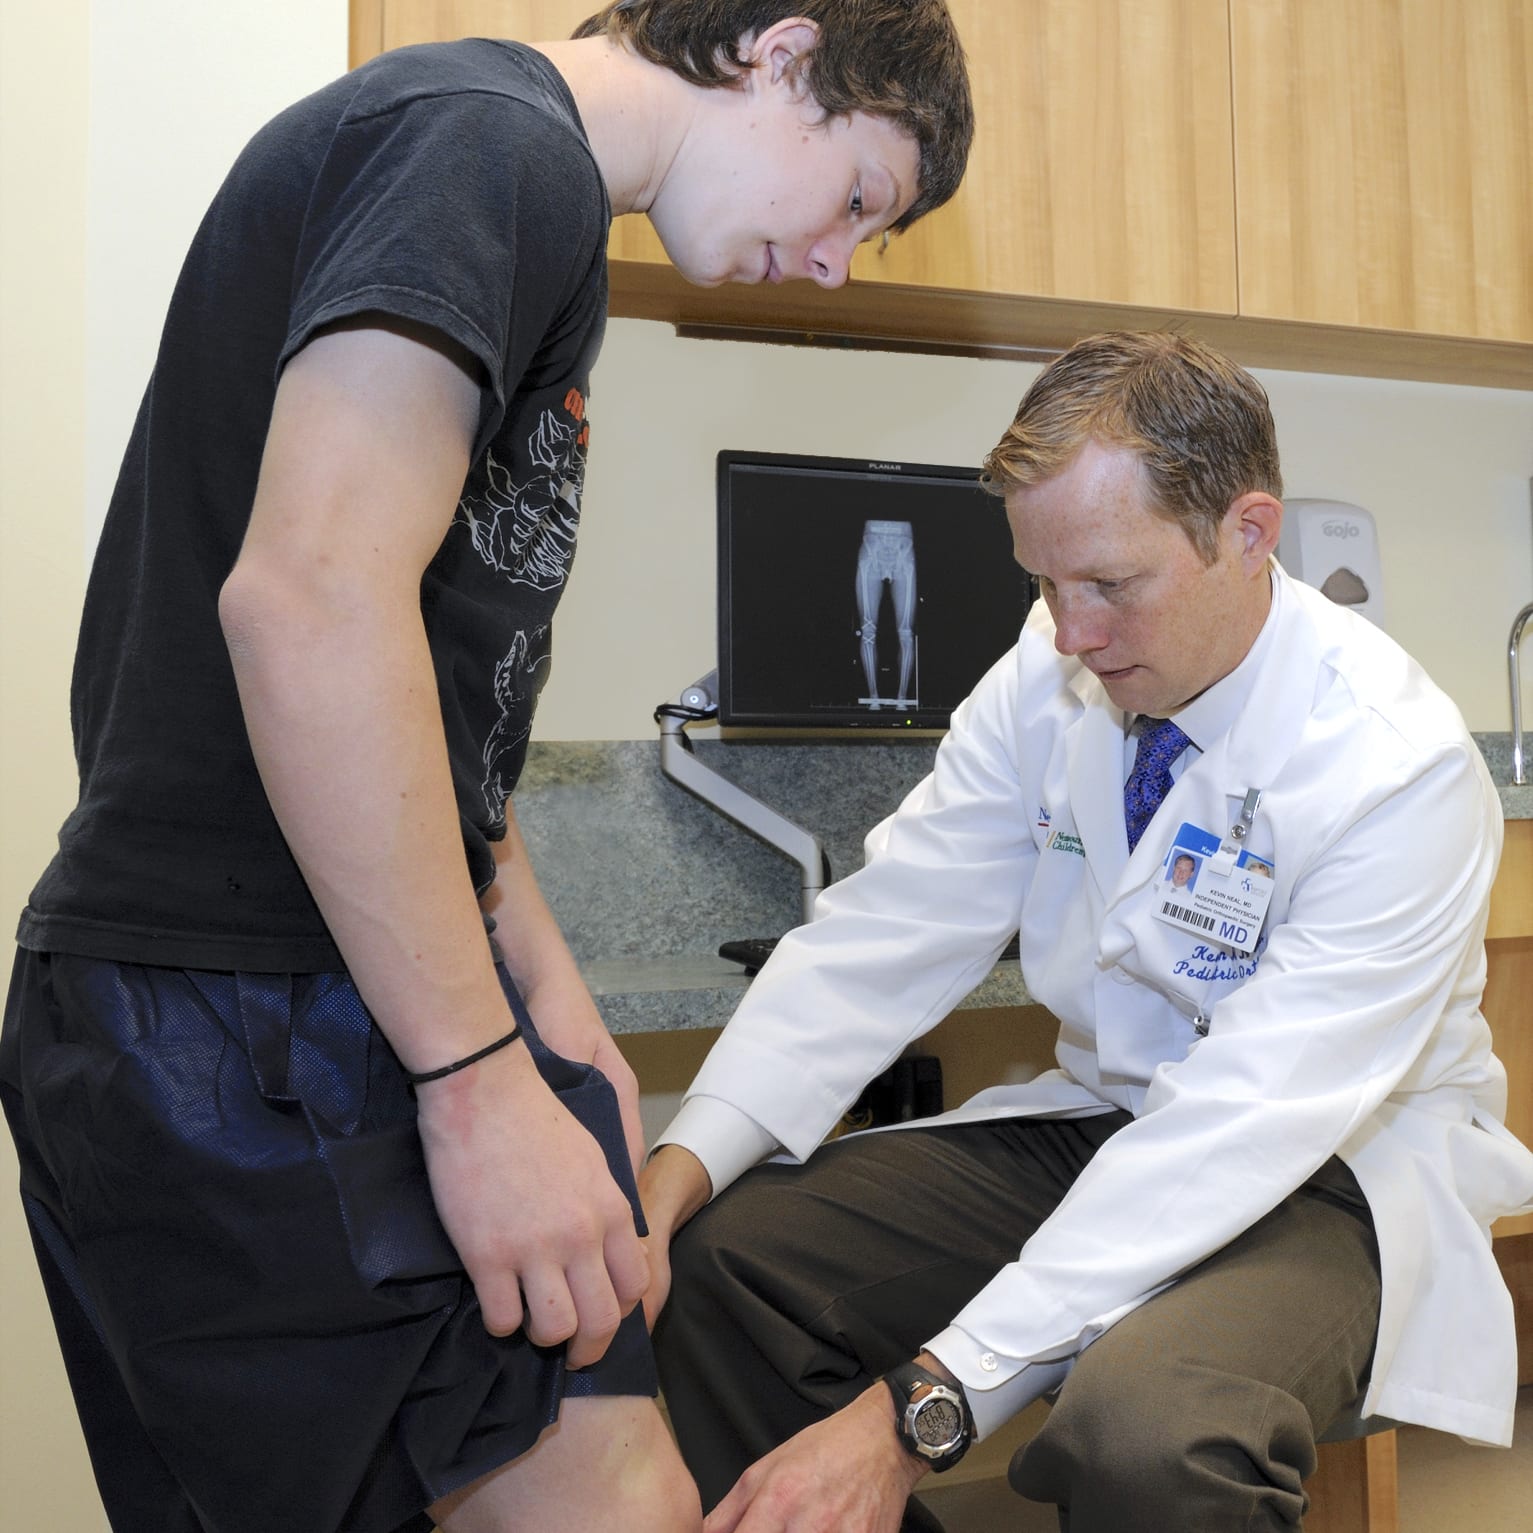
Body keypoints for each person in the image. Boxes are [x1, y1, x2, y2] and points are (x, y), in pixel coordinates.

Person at [0, 5, 974, 1532]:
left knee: (622, 1490)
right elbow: (309, 604)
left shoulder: (518, 189)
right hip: (249, 1015)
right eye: (858, 196)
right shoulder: (492, 144)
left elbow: (429, 690)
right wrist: (472, 1081)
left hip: (309, 985)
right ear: (781, 54)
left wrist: (546, 1001)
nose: (837, 260)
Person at [639, 330, 1533, 1533]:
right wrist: (672, 1178)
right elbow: (886, 932)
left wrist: (918, 1410)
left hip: (1335, 1164)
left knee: (1148, 1433)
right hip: (1112, 1113)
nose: (1071, 632)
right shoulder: (1047, 675)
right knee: (726, 1265)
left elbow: (1244, 1122)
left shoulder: (1392, 767)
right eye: (1044, 583)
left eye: (1111, 584)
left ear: (1249, 534)